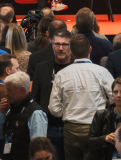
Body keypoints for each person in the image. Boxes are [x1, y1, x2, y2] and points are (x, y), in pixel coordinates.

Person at [49, 34, 114, 160]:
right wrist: (104, 102)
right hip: (95, 127)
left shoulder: (61, 74)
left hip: (70, 128)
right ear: (90, 49)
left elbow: (54, 108)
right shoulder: (102, 72)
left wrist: (69, 111)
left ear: (71, 52)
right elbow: (115, 97)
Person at [31, 29, 73, 160]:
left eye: (64, 45)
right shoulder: (41, 68)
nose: (60, 48)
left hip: (70, 126)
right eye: (57, 44)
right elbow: (35, 97)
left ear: (71, 46)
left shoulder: (77, 69)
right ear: (52, 45)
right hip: (48, 126)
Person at [0, 72, 47, 160]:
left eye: (9, 90)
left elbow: (38, 149)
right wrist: (2, 113)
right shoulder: (11, 110)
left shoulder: (36, 113)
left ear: (22, 90)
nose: (6, 93)